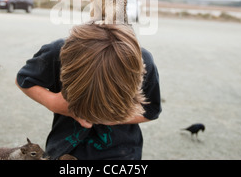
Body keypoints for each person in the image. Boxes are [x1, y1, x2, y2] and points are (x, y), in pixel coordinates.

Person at [15, 23, 161, 160]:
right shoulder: (57, 53)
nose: (88, 122)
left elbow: (151, 110)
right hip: (63, 150)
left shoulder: (142, 62)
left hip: (123, 153)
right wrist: (53, 102)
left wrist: (111, 117)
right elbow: (23, 79)